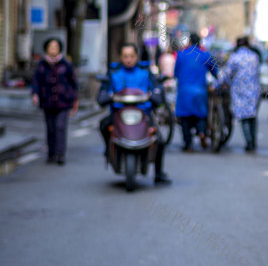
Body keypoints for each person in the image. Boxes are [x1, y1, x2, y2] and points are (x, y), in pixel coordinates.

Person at [97, 43, 170, 184]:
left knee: (159, 140)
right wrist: (107, 96)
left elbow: (157, 91)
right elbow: (102, 94)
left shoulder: (146, 72)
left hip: (143, 114)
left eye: (131, 56)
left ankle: (159, 173)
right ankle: (108, 150)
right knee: (103, 125)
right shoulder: (113, 72)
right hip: (119, 113)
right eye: (125, 56)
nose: (128, 59)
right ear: (121, 57)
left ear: (136, 57)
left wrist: (155, 95)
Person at [31, 38, 79, 164]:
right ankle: (51, 153)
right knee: (50, 129)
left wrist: (75, 99)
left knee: (60, 127)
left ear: (59, 49)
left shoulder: (66, 64)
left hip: (63, 101)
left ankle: (60, 154)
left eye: (55, 46)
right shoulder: (42, 65)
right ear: (46, 49)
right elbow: (36, 81)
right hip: (47, 101)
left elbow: (73, 82)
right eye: (51, 47)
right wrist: (35, 94)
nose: (53, 49)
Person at [174, 33, 219, 151]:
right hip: (200, 91)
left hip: (184, 92)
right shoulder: (205, 55)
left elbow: (176, 73)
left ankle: (188, 144)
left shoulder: (181, 55)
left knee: (185, 118)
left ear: (189, 42)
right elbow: (215, 72)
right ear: (200, 43)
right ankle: (202, 133)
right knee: (201, 115)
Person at [217, 37, 262, 152]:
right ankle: (253, 140)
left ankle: (249, 142)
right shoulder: (254, 57)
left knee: (244, 117)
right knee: (252, 116)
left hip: (240, 90)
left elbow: (227, 74)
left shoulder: (235, 58)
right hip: (254, 89)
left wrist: (219, 84)